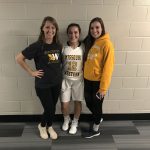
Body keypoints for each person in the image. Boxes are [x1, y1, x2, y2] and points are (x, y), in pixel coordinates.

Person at [16, 16, 62, 140]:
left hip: (56, 83)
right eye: (47, 27)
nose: (50, 30)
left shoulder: (58, 45)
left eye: (53, 27)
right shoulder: (37, 46)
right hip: (43, 85)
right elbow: (19, 58)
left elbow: (59, 64)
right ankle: (42, 126)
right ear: (42, 29)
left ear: (56, 30)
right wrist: (31, 72)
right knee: (50, 108)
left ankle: (50, 126)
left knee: (52, 108)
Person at [83, 17, 114, 138]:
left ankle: (95, 129)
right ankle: (98, 117)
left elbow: (108, 68)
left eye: (97, 27)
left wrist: (103, 88)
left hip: (98, 83)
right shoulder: (90, 41)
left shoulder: (107, 44)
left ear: (102, 28)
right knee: (89, 102)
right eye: (91, 28)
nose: (94, 30)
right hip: (87, 80)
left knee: (97, 105)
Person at [61, 23, 84, 134]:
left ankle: (75, 122)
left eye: (75, 32)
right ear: (67, 34)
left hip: (78, 81)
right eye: (70, 32)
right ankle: (66, 119)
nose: (73, 35)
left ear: (79, 33)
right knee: (64, 104)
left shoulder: (83, 47)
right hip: (65, 80)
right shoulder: (63, 47)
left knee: (77, 102)